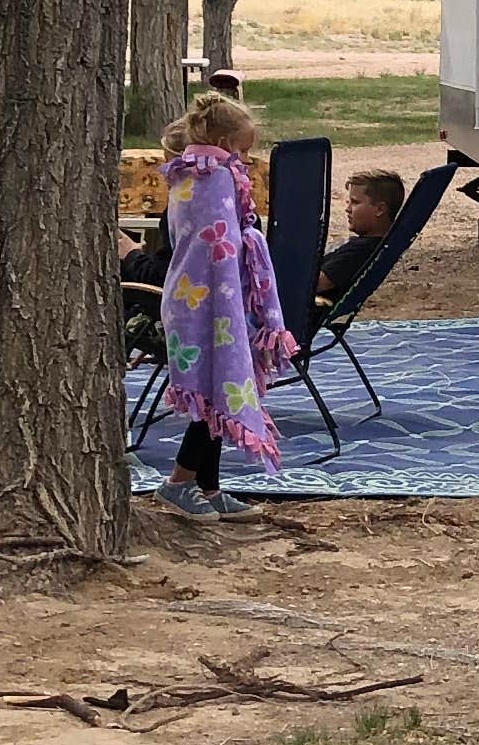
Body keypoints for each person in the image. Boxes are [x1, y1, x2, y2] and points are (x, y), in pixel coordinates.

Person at [150, 93, 294, 519]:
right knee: (212, 390)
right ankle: (178, 482)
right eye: (242, 151)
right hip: (204, 303)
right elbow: (214, 245)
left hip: (217, 300)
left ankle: (208, 487)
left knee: (218, 390)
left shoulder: (201, 175)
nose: (245, 161)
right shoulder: (209, 178)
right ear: (220, 141)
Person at [313, 168, 406, 306]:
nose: (348, 209)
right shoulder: (378, 246)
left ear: (380, 209)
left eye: (355, 202)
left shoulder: (360, 251)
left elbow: (314, 285)